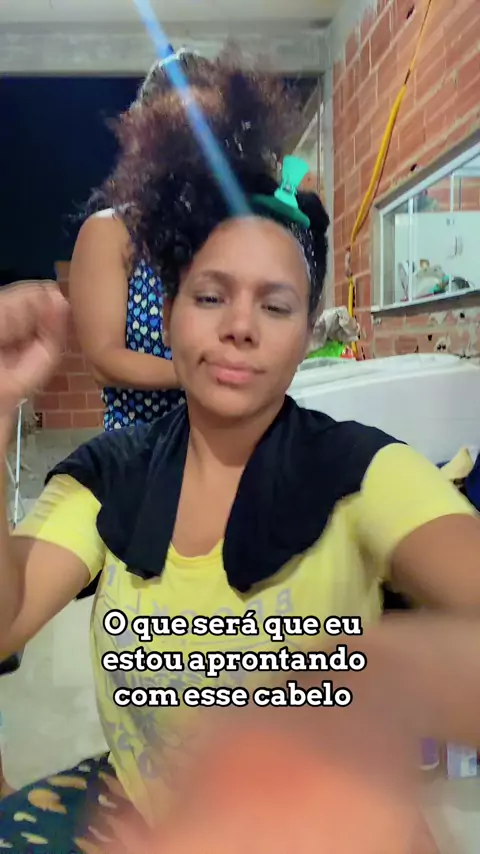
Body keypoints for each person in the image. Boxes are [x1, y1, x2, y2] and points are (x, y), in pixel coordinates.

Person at [1, 57, 480, 853]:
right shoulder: (111, 478)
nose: (240, 327)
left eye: (276, 305)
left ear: (307, 334)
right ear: (171, 313)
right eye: (211, 295)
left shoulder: (362, 471)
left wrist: (375, 674)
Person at [68, 48, 220, 431]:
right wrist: (207, 375)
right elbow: (105, 360)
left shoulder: (230, 229)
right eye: (178, 130)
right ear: (146, 134)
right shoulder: (112, 232)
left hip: (229, 446)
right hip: (141, 449)